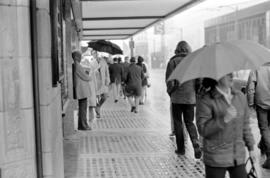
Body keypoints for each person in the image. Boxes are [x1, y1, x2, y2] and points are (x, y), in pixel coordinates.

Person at [196, 73, 255, 178]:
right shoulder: (206, 99)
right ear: (217, 77)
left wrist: (251, 148)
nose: (231, 76)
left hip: (237, 155)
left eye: (231, 73)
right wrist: (224, 119)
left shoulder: (239, 97)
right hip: (216, 157)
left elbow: (245, 125)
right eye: (227, 74)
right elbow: (203, 129)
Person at [165, 41, 201, 159]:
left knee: (178, 123)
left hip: (176, 97)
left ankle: (181, 149)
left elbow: (169, 80)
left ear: (177, 49)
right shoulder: (193, 61)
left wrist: (170, 92)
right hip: (190, 97)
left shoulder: (173, 62)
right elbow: (198, 81)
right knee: (190, 122)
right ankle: (195, 142)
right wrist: (195, 92)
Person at [247, 65, 270, 169]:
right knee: (267, 128)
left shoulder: (256, 68)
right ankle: (262, 145)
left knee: (264, 128)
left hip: (262, 103)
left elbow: (251, 87)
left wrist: (251, 103)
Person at [72, 51, 92, 130]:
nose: (80, 58)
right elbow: (85, 77)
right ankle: (83, 125)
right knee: (83, 109)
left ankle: (82, 125)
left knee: (82, 109)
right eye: (79, 56)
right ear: (76, 57)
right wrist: (89, 76)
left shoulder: (76, 65)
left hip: (81, 90)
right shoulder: (77, 65)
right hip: (82, 91)